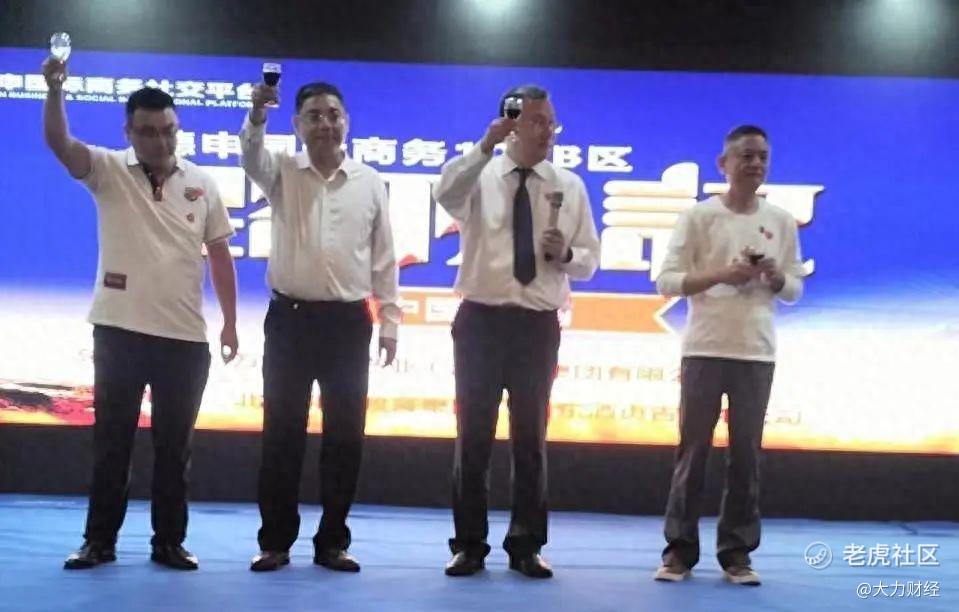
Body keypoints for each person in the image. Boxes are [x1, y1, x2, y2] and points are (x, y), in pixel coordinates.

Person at [41, 57, 239, 571]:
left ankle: (169, 542)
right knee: (112, 445)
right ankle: (98, 542)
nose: (161, 140)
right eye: (149, 132)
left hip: (185, 339)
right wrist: (55, 88)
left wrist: (231, 323)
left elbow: (220, 255)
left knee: (175, 450)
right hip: (119, 332)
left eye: (169, 130)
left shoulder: (203, 183)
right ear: (129, 133)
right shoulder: (108, 170)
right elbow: (60, 143)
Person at [432, 84, 600, 578]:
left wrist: (565, 254)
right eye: (536, 121)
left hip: (537, 326)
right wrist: (485, 144)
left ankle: (526, 544)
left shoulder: (569, 185)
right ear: (511, 124)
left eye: (551, 122)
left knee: (531, 438)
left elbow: (589, 260)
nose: (547, 131)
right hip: (481, 321)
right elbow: (445, 194)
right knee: (473, 437)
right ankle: (469, 544)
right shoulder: (480, 174)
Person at [239, 80, 400, 573]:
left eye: (334, 114)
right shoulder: (282, 172)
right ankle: (275, 541)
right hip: (289, 320)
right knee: (282, 433)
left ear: (346, 121)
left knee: (345, 436)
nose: (326, 123)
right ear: (297, 125)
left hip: (348, 323)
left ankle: (333, 541)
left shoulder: (369, 181)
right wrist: (257, 114)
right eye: (314, 115)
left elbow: (384, 256)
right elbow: (250, 156)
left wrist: (390, 321)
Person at [653, 125, 804, 586]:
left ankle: (737, 553)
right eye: (746, 156)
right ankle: (679, 552)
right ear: (724, 164)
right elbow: (666, 281)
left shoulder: (781, 221)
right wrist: (723, 274)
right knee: (693, 452)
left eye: (762, 157)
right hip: (704, 348)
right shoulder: (698, 217)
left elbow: (794, 290)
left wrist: (775, 277)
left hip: (756, 352)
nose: (755, 164)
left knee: (746, 456)